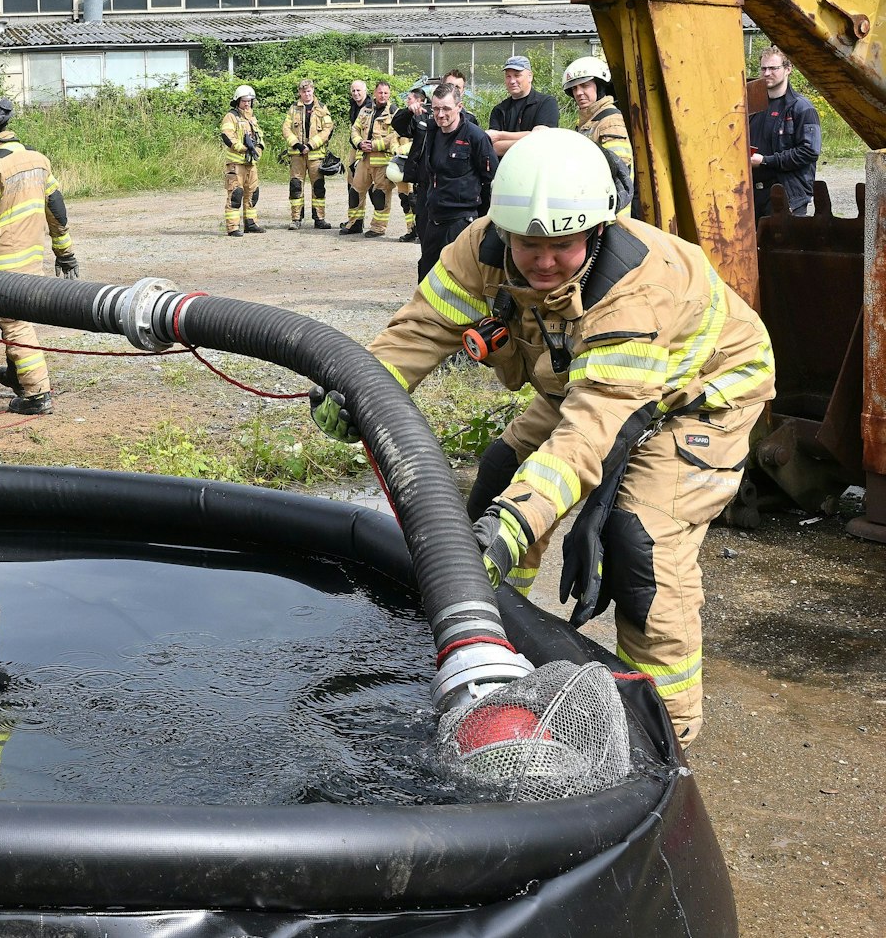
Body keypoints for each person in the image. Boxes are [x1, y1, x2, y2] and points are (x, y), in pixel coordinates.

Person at [311, 129, 774, 744]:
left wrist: (514, 526)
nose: (544, 262)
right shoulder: (481, 247)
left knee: (640, 544)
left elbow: (589, 434)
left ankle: (665, 736)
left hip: (698, 398)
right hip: (587, 383)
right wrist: (362, 389)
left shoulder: (637, 288)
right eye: (529, 244)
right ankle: (496, 650)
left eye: (563, 246)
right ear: (504, 229)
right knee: (498, 481)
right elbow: (420, 331)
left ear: (598, 230)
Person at [0, 96, 78, 415]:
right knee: (17, 319)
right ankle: (17, 374)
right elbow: (56, 210)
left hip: (4, 263)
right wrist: (64, 252)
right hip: (32, 260)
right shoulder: (37, 159)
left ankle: (37, 394)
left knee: (15, 324)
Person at [415, 82, 496, 281]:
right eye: (436, 109)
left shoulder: (475, 137)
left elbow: (491, 180)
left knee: (456, 279)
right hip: (434, 217)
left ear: (459, 107)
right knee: (427, 276)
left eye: (446, 108)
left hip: (460, 220)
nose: (440, 114)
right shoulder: (432, 132)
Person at [748, 47, 821, 218]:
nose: (767, 73)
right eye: (763, 68)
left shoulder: (801, 108)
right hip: (754, 197)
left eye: (773, 68)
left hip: (787, 197)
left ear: (788, 69)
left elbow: (809, 152)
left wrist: (765, 161)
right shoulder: (753, 107)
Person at [562, 56, 637, 218]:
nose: (579, 93)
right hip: (593, 212)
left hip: (611, 217)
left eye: (585, 86)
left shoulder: (610, 121)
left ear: (600, 86)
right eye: (574, 88)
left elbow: (618, 172)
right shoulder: (589, 121)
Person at [346, 79, 400, 237]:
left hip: (382, 161)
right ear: (375, 93)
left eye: (386, 93)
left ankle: (378, 228)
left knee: (380, 196)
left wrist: (375, 145)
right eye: (380, 92)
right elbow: (355, 129)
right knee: (355, 192)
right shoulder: (365, 110)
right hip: (364, 159)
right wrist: (359, 143)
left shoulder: (394, 112)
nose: (382, 95)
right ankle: (354, 224)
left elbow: (395, 135)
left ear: (389, 94)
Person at [283, 78, 336, 229]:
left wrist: (311, 145)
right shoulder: (293, 108)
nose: (307, 94)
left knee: (318, 187)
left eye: (309, 91)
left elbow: (327, 130)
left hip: (316, 155)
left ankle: (319, 219)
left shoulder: (322, 108)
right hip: (297, 154)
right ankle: (296, 219)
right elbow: (286, 128)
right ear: (299, 92)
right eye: (303, 91)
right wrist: (297, 145)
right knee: (296, 185)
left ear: (313, 90)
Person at [485, 55, 560, 158]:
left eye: (517, 75)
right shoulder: (499, 110)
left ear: (530, 76)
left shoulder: (546, 103)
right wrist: (529, 138)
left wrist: (500, 135)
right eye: (508, 76)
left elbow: (541, 137)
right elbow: (494, 147)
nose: (512, 81)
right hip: (506, 166)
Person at [389, 82, 434, 244]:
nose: (407, 101)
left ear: (420, 100)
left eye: (409, 99)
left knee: (416, 201)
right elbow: (397, 129)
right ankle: (413, 230)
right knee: (406, 200)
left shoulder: (431, 116)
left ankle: (421, 232)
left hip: (429, 170)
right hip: (410, 168)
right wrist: (396, 150)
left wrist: (404, 149)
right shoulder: (413, 116)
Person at [219, 85, 264, 236]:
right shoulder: (231, 116)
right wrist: (242, 148)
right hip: (236, 163)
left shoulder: (252, 118)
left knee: (253, 193)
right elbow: (227, 136)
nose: (247, 104)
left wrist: (258, 149)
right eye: (244, 101)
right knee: (236, 194)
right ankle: (233, 227)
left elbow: (259, 136)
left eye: (249, 101)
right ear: (237, 101)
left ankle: (250, 223)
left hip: (251, 163)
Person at [345, 78, 372, 228]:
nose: (356, 93)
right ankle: (355, 220)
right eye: (353, 91)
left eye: (358, 90)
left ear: (365, 91)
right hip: (354, 148)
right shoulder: (354, 105)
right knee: (352, 186)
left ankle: (368, 223)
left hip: (368, 151)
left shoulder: (371, 107)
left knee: (368, 187)